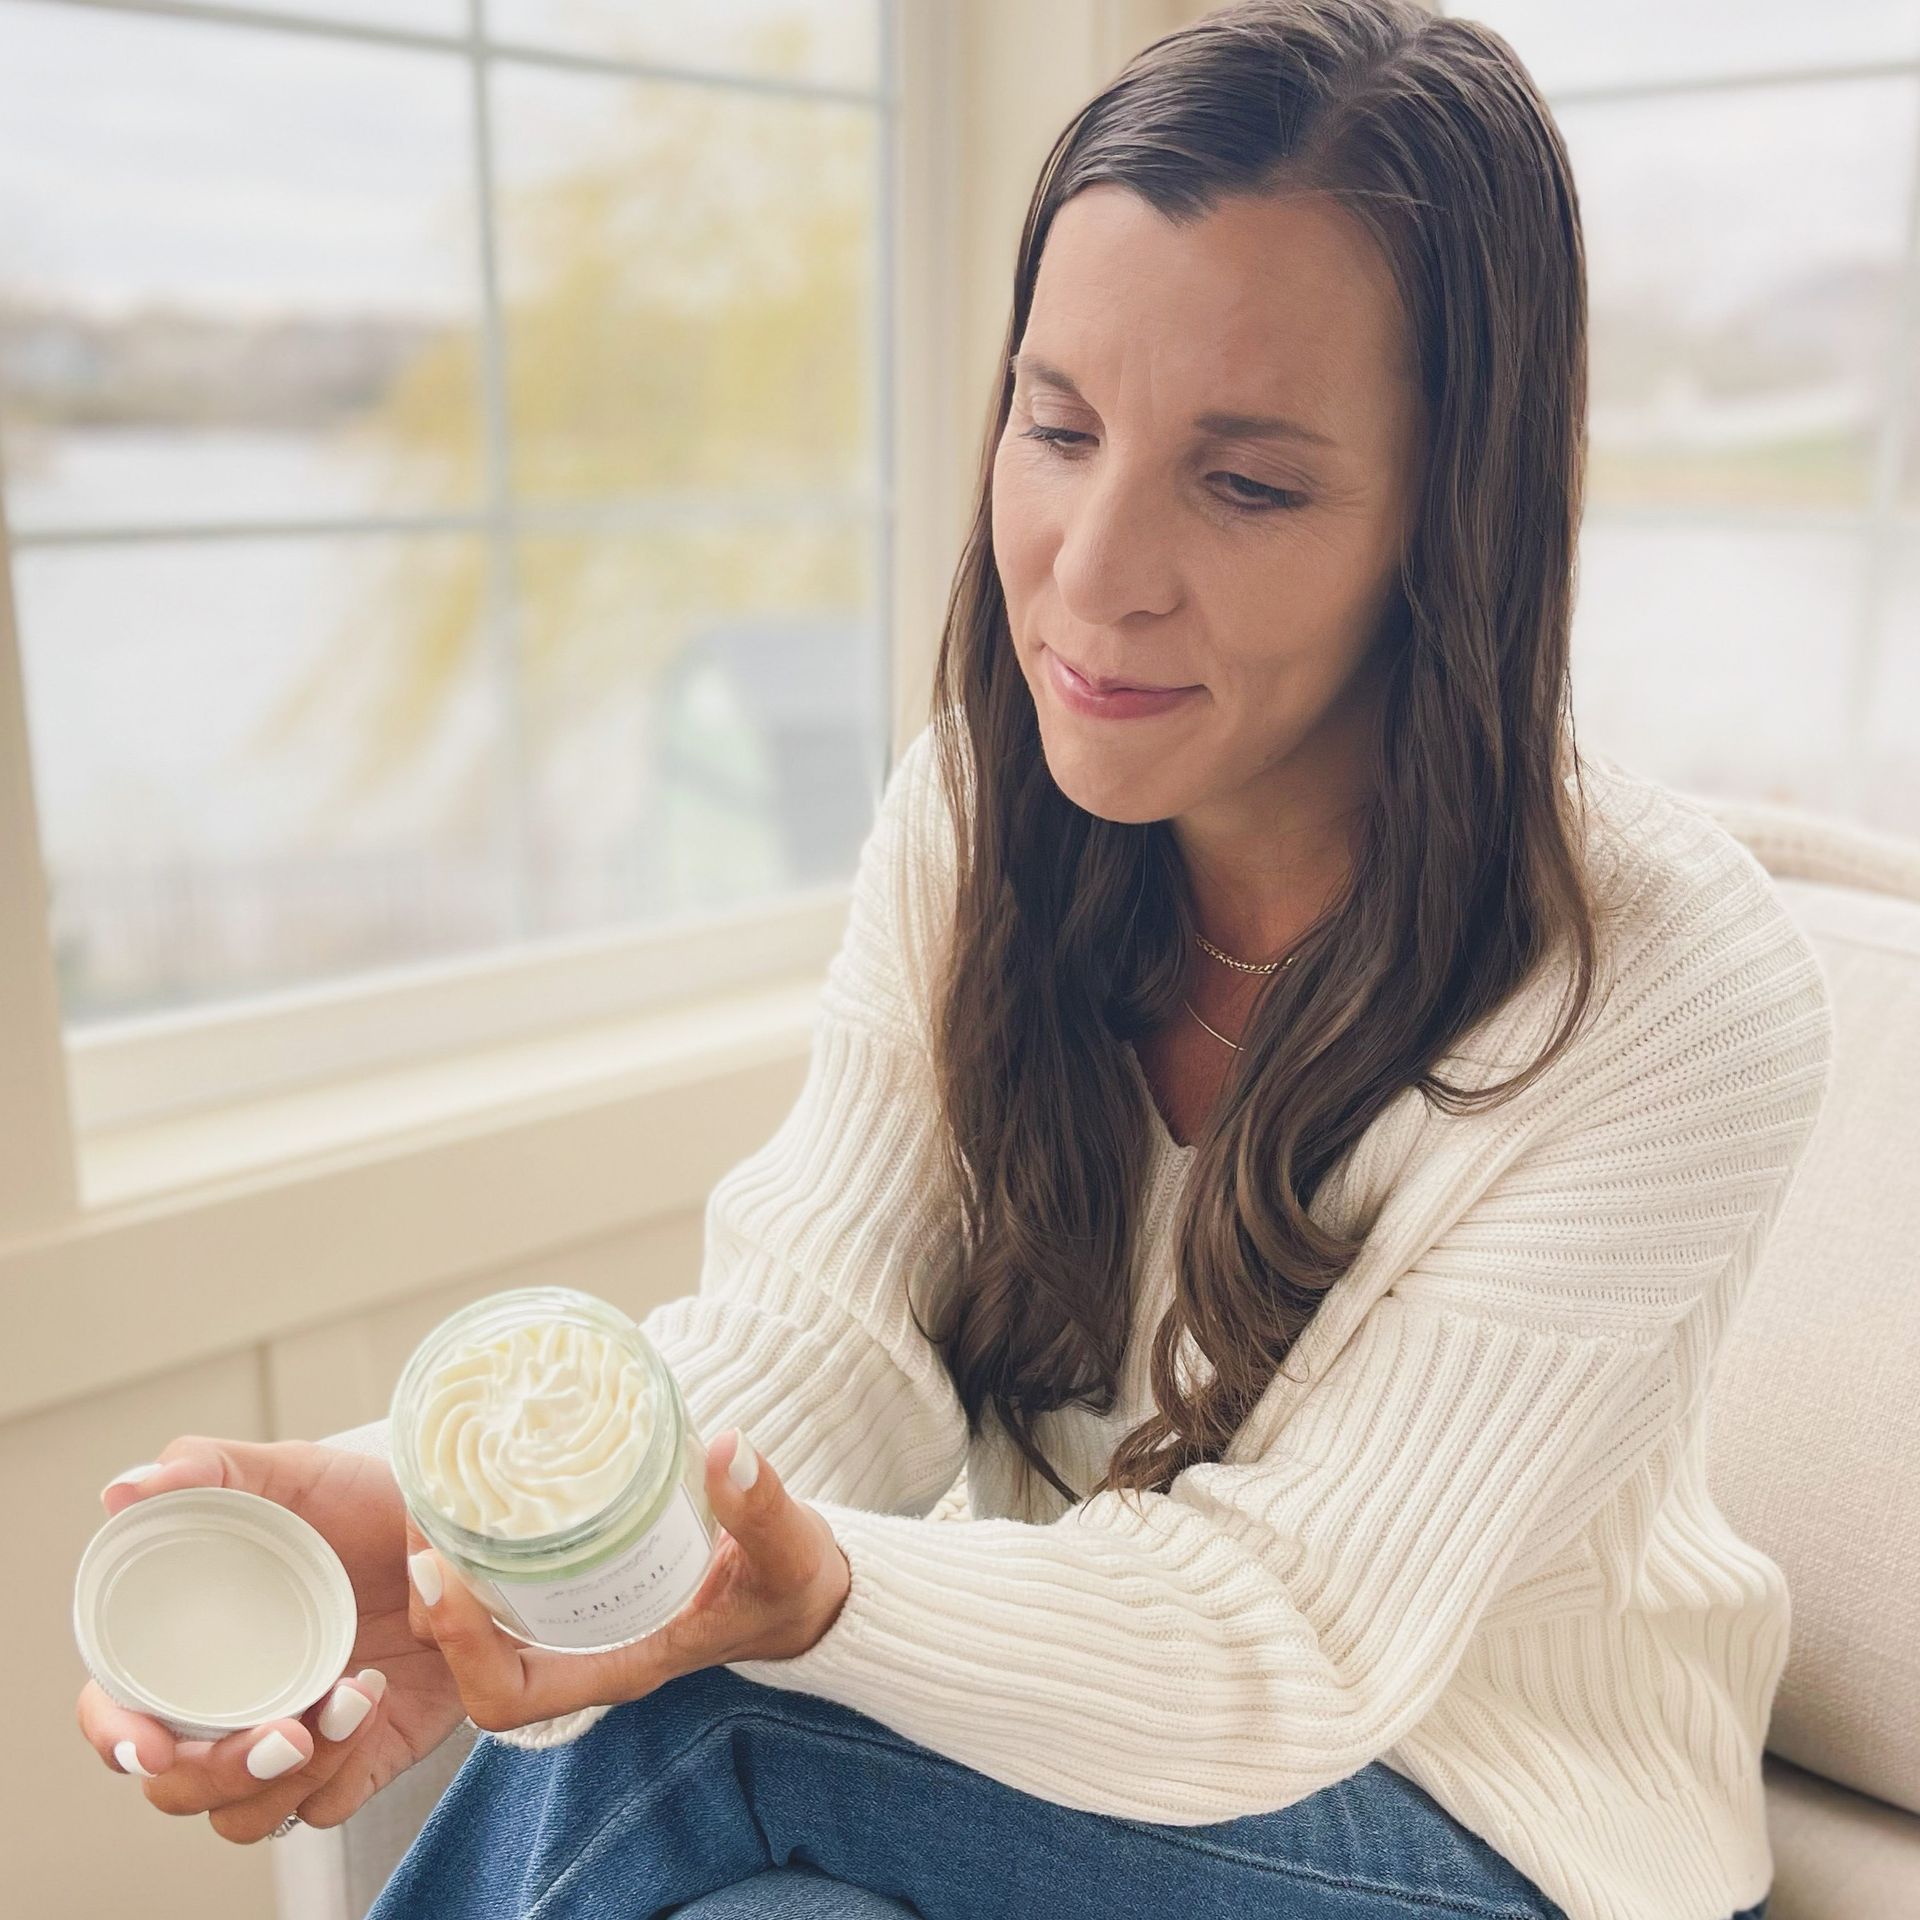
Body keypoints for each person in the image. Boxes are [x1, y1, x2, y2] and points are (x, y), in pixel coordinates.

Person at [76, 5, 1816, 1917]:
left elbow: (1290, 1635)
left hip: (1496, 1827)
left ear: (1451, 523)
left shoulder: (1665, 991)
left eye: (1246, 485)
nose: (1087, 569)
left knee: (709, 1727)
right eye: (1058, 424)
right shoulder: (983, 815)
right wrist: (425, 1514)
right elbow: (822, 1350)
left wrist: (793, 1600)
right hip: (1066, 1784)